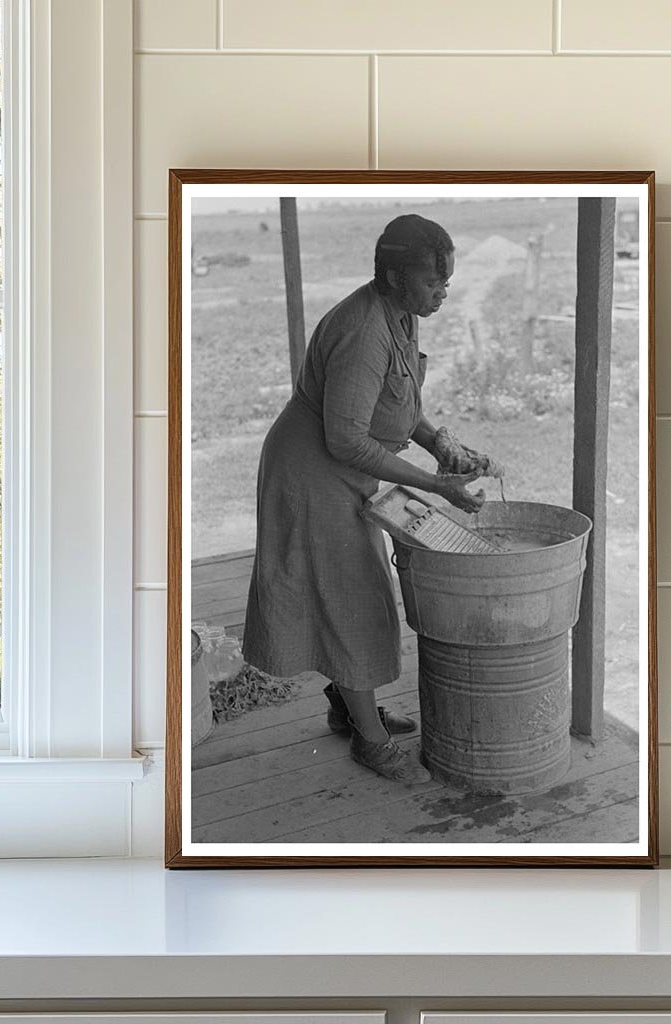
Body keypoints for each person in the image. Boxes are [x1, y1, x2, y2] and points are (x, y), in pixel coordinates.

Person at [242, 213, 499, 786]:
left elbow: (399, 398)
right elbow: (347, 439)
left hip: (337, 472)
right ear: (392, 276)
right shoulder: (364, 329)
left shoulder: (401, 314)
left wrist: (439, 443)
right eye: (433, 283)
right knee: (349, 600)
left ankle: (347, 705)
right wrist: (436, 486)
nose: (442, 294)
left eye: (446, 283)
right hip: (310, 476)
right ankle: (369, 738)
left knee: (345, 596)